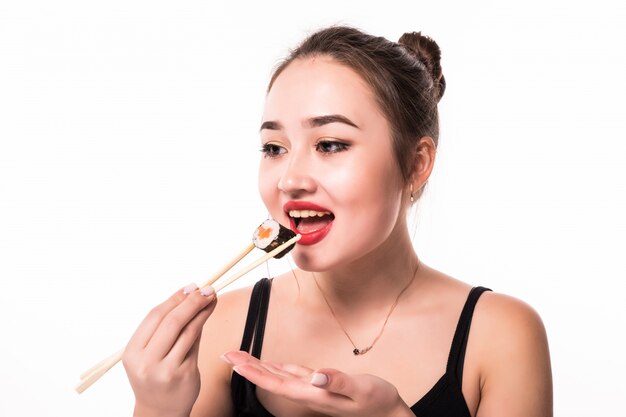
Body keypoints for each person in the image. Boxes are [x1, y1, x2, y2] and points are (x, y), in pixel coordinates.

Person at [122, 26, 553, 417]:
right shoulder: (220, 329)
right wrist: (156, 409)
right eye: (274, 148)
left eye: (329, 144)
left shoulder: (501, 337)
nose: (290, 179)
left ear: (416, 164)